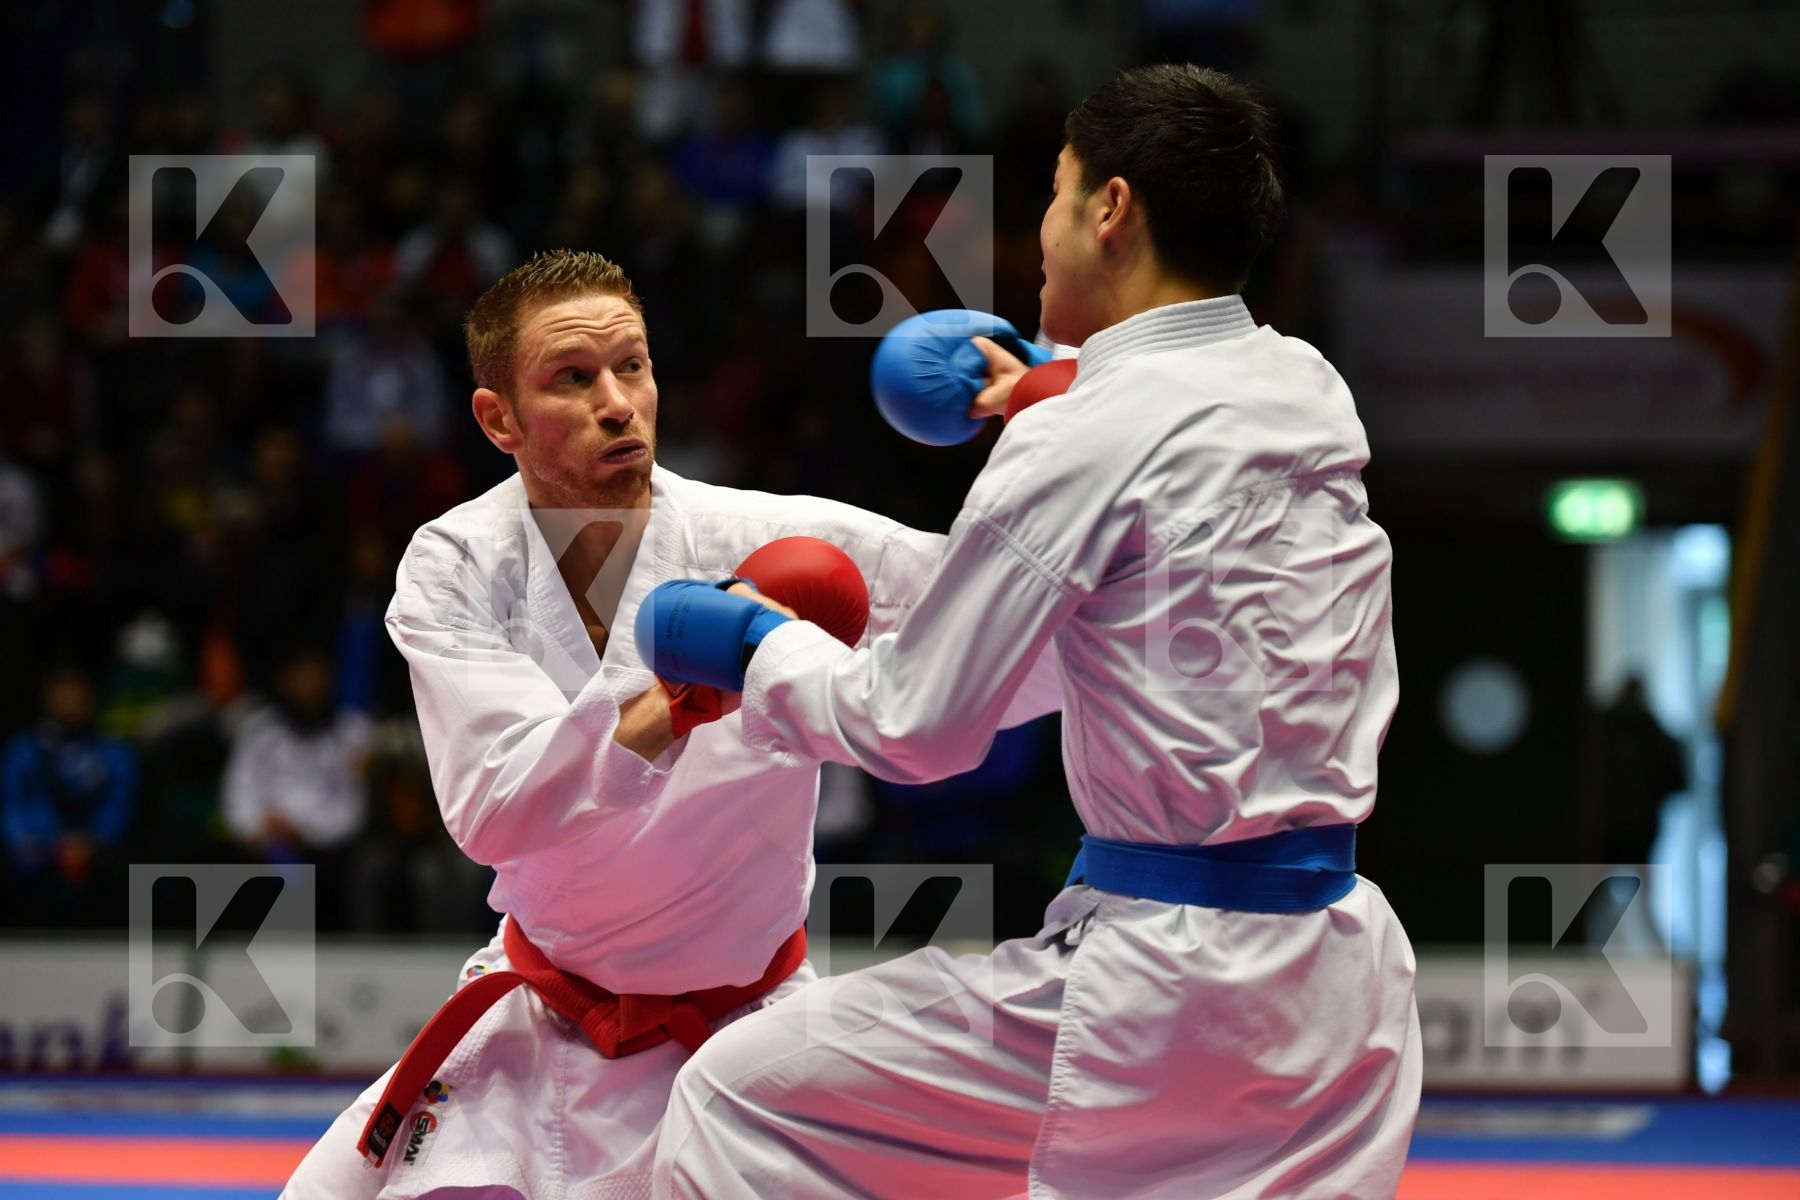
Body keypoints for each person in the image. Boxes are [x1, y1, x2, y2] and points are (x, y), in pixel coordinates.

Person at [644, 65, 1423, 1198]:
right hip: (1340, 982)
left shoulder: (1079, 441)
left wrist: (759, 648)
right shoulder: (1307, 386)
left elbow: (915, 728)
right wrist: (1045, 384)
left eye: (1054, 200)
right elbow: (1173, 470)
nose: (1037, 236)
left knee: (738, 1098)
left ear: (1111, 211)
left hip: (1162, 981)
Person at [281, 249, 1059, 1199]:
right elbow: (496, 810)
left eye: (633, 366)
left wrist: (1057, 434)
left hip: (745, 1040)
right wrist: (685, 697)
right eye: (573, 379)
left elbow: (1017, 646)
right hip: (539, 1019)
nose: (617, 401)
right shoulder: (457, 563)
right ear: (500, 420)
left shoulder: (778, 546)